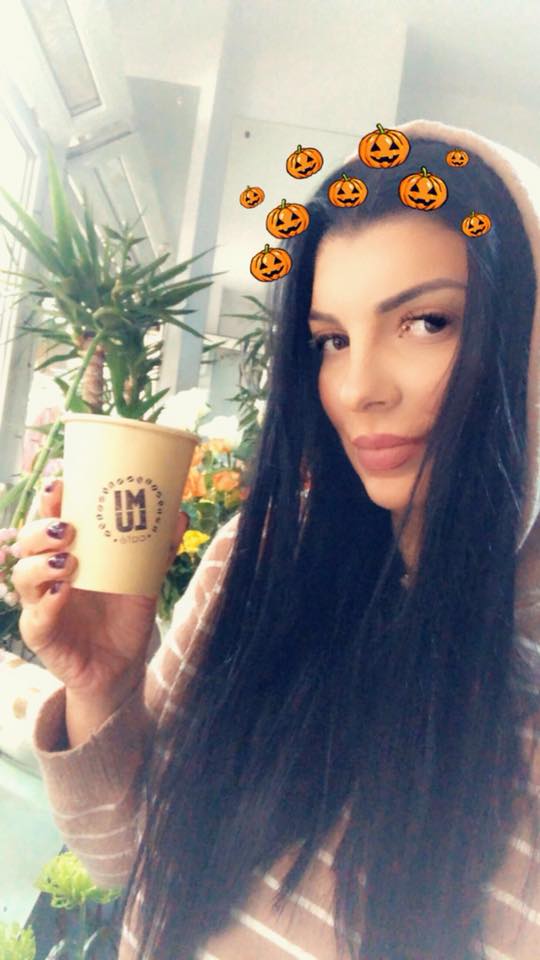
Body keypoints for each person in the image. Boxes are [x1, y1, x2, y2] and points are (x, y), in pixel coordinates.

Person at [13, 118, 540, 960]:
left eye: (426, 322)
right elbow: (125, 860)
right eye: (331, 340)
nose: (358, 388)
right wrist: (101, 684)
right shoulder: (257, 562)